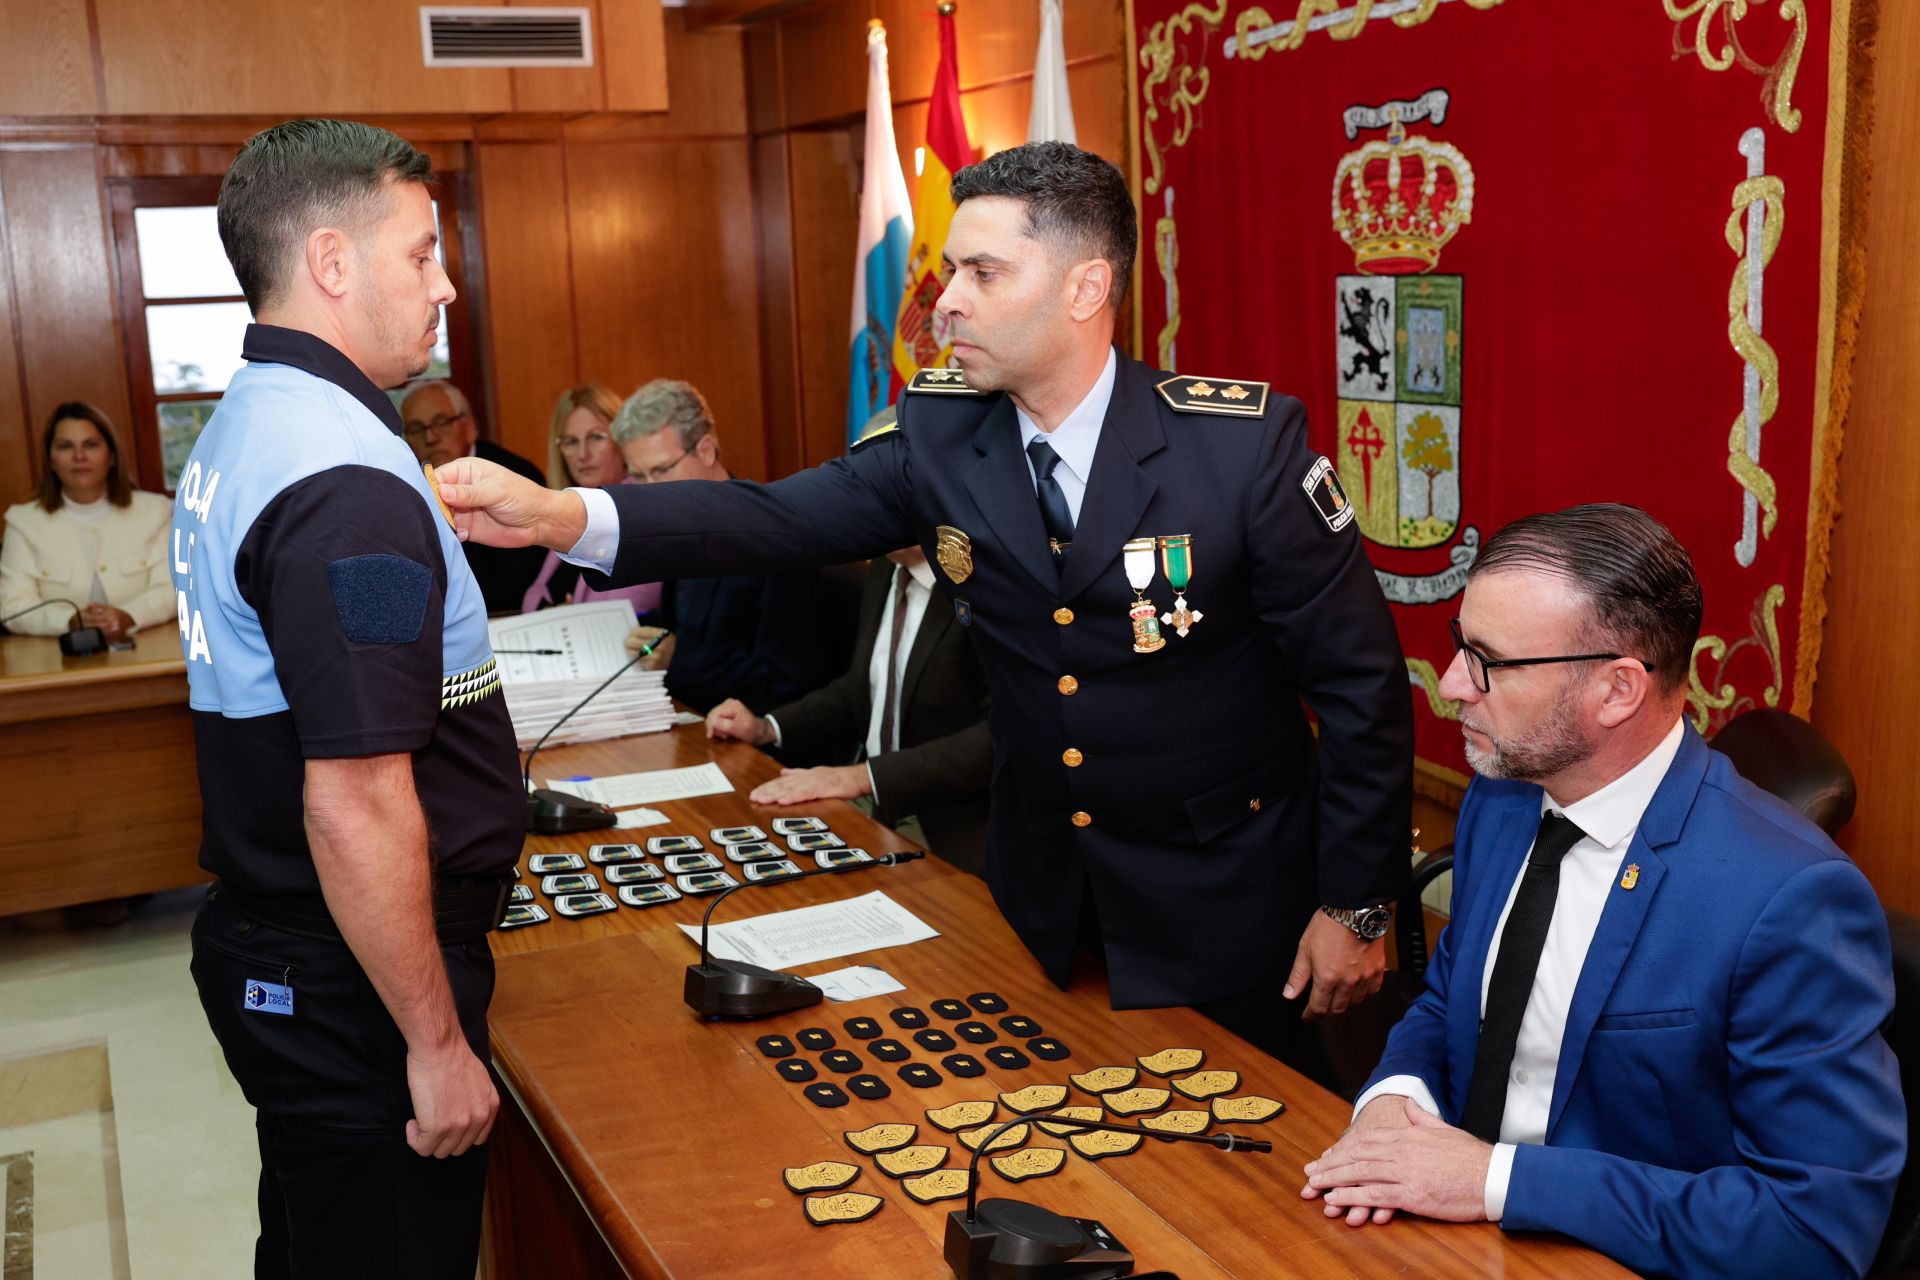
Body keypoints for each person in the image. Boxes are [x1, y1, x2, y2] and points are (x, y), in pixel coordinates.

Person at [435, 141, 1414, 1053]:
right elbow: (770, 518)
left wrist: (1357, 904)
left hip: (1232, 910)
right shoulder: (949, 435)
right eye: (951, 270)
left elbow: (1362, 690)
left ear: (1087, 287)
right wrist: (561, 515)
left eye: (984, 273)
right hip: (1044, 904)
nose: (945, 303)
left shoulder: (1238, 451)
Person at [1301, 505, 1903, 1279]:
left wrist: (1494, 1180)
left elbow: (1815, 1231)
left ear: (1618, 690)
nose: (1452, 684)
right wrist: (1396, 1098)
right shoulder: (1507, 793)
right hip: (1440, 1242)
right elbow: (1454, 996)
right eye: (1460, 645)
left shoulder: (1791, 901)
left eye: (1488, 660)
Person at [172, 118, 523, 1278]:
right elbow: (359, 799)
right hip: (354, 980)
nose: (446, 282)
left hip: (298, 949)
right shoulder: (341, 480)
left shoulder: (258, 420)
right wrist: (430, 1041)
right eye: (422, 253)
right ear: (331, 260)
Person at [707, 532, 995, 874]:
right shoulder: (886, 569)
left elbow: (998, 737)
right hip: (873, 804)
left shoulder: (986, 586)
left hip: (951, 822)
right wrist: (765, 727)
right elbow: (862, 686)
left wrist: (863, 778)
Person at [609, 378, 848, 715]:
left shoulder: (774, 536)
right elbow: (687, 625)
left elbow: (791, 680)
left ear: (706, 449)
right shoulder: (677, 526)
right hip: (690, 718)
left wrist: (680, 659)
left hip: (760, 740)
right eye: (638, 476)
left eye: (661, 470)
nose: (649, 491)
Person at [1, 402, 173, 640]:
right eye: (65, 446)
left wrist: (130, 615)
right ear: (50, 460)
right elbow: (11, 606)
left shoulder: (157, 511)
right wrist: (68, 621)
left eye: (91, 445)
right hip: (56, 660)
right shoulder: (23, 522)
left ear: (112, 456)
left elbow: (173, 588)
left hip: (148, 650)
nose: (79, 456)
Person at [400, 378, 545, 613]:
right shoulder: (408, 485)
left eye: (441, 423)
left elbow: (519, 580)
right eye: (417, 429)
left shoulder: (515, 474)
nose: (431, 438)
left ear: (469, 427)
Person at [520, 383, 661, 617]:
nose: (583, 455)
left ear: (622, 440)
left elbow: (627, 611)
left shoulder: (640, 511)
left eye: (596, 438)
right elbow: (532, 601)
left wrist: (567, 619)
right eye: (571, 442)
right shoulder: (567, 507)